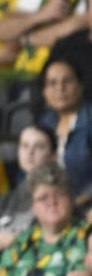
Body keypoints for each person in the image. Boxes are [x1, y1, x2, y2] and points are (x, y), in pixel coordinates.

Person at [0, 163, 90, 276]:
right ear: (33, 206)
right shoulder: (19, 244)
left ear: (70, 200)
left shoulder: (88, 237)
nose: (52, 202)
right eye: (43, 197)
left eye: (59, 194)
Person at [0, 125, 56, 260]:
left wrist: (4, 240)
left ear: (53, 156)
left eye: (39, 147)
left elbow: (40, 244)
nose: (30, 152)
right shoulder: (7, 198)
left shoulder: (57, 198)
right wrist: (15, 241)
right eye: (24, 146)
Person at [37, 59, 92, 196]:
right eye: (52, 83)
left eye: (67, 81)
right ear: (44, 91)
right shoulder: (42, 125)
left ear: (80, 86)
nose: (60, 88)